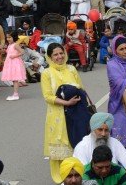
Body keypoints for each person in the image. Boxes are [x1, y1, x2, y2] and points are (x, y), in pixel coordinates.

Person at [41, 43, 84, 183]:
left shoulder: (71, 69)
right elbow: (47, 96)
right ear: (50, 57)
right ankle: (61, 178)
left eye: (61, 53)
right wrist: (66, 103)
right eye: (55, 54)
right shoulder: (46, 73)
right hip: (57, 115)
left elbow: (81, 88)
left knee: (75, 143)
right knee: (60, 148)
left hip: (75, 112)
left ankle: (76, 176)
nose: (59, 57)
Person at [0, 29, 26, 101]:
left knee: (15, 79)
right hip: (11, 63)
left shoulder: (15, 45)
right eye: (7, 37)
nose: (8, 39)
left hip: (15, 63)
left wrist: (14, 56)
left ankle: (16, 94)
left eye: (10, 37)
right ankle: (15, 93)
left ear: (14, 37)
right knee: (14, 79)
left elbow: (22, 52)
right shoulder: (9, 45)